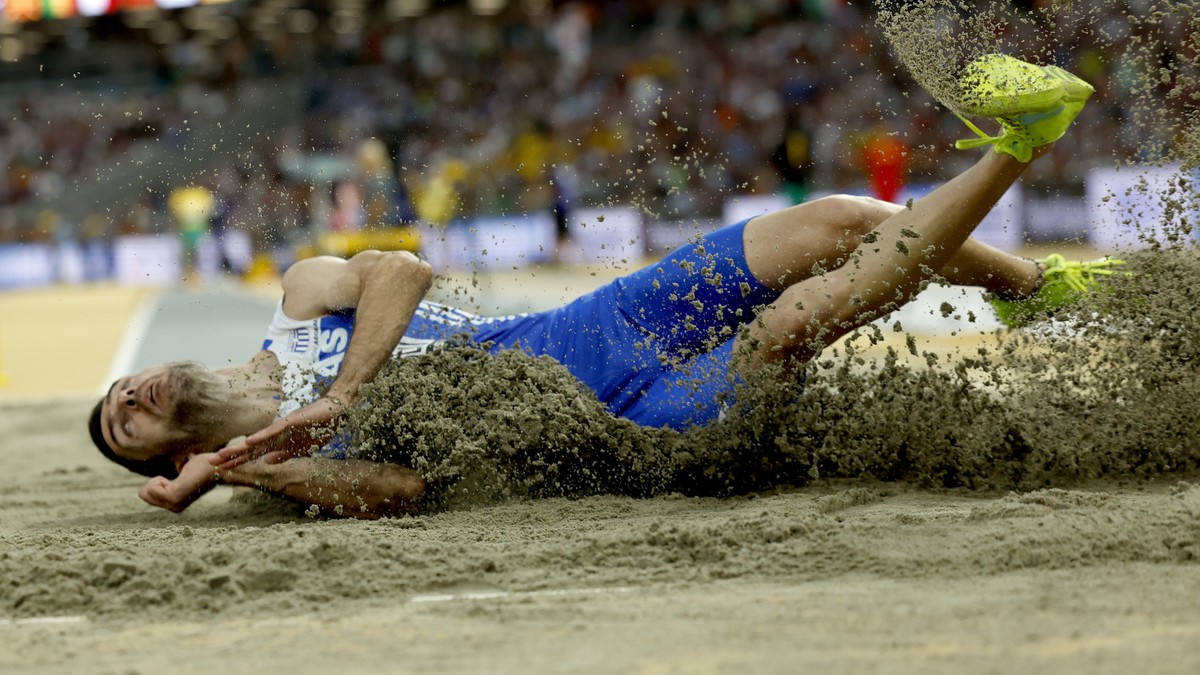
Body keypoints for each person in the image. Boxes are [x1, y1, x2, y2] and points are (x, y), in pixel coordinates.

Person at [88, 55, 1119, 519]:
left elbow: (401, 268)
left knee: (840, 222)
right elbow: (405, 490)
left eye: (116, 395)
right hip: (617, 424)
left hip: (589, 326)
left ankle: (1029, 285)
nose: (122, 401)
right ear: (171, 450)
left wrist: (347, 390)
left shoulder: (302, 302)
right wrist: (243, 470)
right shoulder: (280, 472)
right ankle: (1018, 145)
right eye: (122, 429)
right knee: (787, 329)